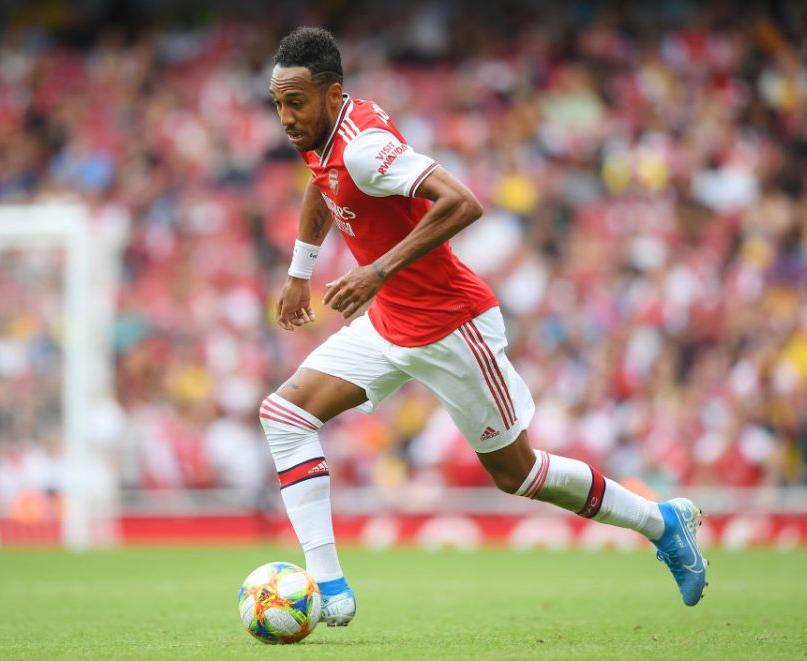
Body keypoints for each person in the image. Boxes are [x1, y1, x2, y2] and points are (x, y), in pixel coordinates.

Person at [260, 26, 707, 626]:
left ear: (333, 94)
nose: (286, 118)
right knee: (285, 415)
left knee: (518, 475)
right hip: (392, 322)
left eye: (296, 103)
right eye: (278, 104)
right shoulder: (320, 132)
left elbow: (463, 202)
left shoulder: (363, 145)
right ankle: (328, 586)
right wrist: (300, 272)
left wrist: (377, 271)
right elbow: (323, 182)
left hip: (452, 324)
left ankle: (661, 522)